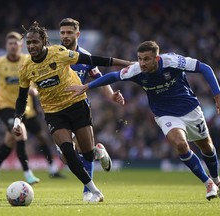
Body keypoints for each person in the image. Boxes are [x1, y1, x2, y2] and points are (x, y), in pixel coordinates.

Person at [66, 40, 220, 200]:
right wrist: (87, 87)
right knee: (181, 145)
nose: (142, 63)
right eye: (139, 59)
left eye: (146, 59)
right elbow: (112, 76)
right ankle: (208, 182)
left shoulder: (172, 61)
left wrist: (217, 95)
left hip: (190, 109)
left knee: (207, 147)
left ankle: (216, 181)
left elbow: (205, 68)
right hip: (165, 114)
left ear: (157, 59)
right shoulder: (135, 70)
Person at [13, 21, 132, 202]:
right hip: (54, 113)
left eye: (35, 42)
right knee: (67, 152)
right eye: (28, 43)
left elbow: (95, 68)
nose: (31, 46)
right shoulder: (27, 67)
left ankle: (97, 153)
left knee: (87, 154)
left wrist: (124, 68)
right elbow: (22, 98)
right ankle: (93, 191)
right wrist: (17, 120)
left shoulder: (63, 54)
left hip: (77, 105)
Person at [0, 31, 63, 187]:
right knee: (20, 133)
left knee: (14, 140)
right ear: (6, 46)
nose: (13, 46)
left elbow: (35, 76)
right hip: (6, 106)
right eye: (10, 43)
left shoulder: (27, 60)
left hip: (27, 108)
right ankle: (28, 173)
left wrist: (34, 88)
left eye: (16, 43)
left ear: (21, 46)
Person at [58, 17, 123, 201]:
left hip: (79, 108)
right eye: (62, 32)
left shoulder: (85, 57)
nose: (65, 36)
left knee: (83, 152)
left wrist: (110, 95)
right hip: (57, 111)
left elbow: (99, 78)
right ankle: (99, 152)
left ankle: (88, 192)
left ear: (77, 34)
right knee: (66, 158)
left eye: (69, 32)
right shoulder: (53, 55)